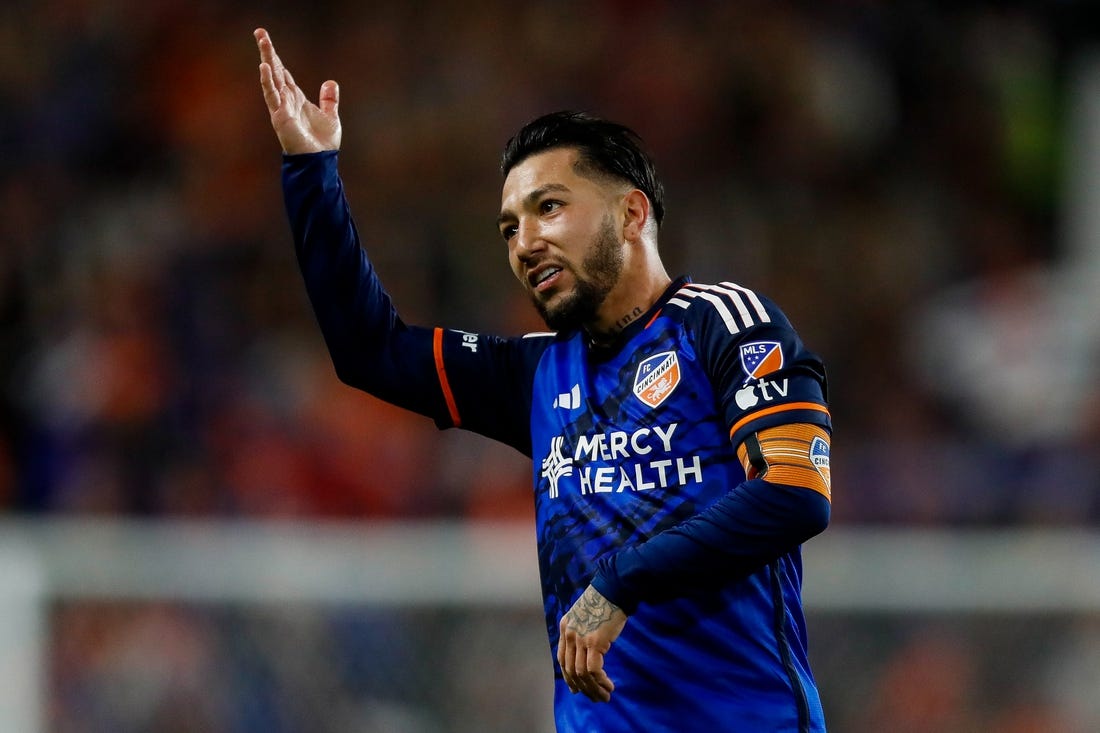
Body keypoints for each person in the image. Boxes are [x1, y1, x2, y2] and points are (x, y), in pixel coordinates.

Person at [254, 27, 833, 732]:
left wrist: (621, 581)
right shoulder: (538, 374)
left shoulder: (723, 323)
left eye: (548, 207)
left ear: (631, 212)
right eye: (508, 228)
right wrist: (311, 170)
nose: (525, 242)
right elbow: (370, 350)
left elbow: (795, 493)